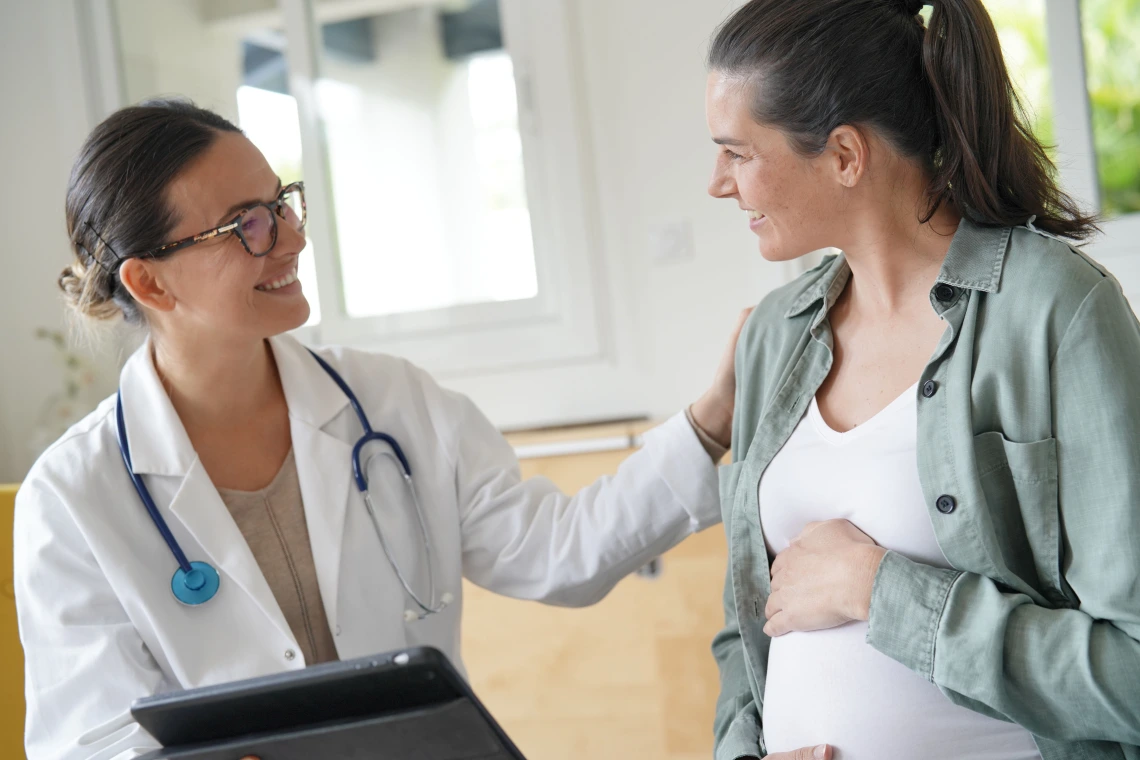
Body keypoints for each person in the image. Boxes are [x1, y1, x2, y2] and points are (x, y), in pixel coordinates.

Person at [13, 99, 747, 760]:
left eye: (282, 203)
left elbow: (559, 552)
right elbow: (92, 744)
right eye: (248, 225)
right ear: (150, 282)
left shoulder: (390, 402)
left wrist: (711, 420)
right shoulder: (73, 497)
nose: (293, 237)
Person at [703, 1, 1140, 759]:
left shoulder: (1055, 311)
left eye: (738, 153)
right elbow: (745, 627)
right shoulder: (772, 336)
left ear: (845, 155)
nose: (718, 183)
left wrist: (880, 591)